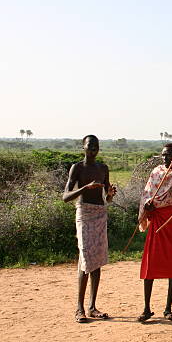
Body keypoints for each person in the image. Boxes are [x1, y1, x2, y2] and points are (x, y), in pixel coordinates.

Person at [62, 135, 116, 323]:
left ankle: (92, 307)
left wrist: (110, 194)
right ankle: (79, 308)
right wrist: (85, 188)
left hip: (100, 213)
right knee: (85, 257)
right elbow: (66, 196)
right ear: (83, 147)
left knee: (97, 258)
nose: (93, 149)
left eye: (96, 147)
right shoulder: (78, 168)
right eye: (90, 146)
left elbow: (107, 198)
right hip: (84, 213)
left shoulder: (103, 168)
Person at [136, 144, 172, 323]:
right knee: (150, 264)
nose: (165, 158)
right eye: (163, 155)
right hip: (157, 220)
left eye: (169, 155)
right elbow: (147, 193)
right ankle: (147, 308)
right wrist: (148, 205)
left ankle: (168, 308)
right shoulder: (157, 172)